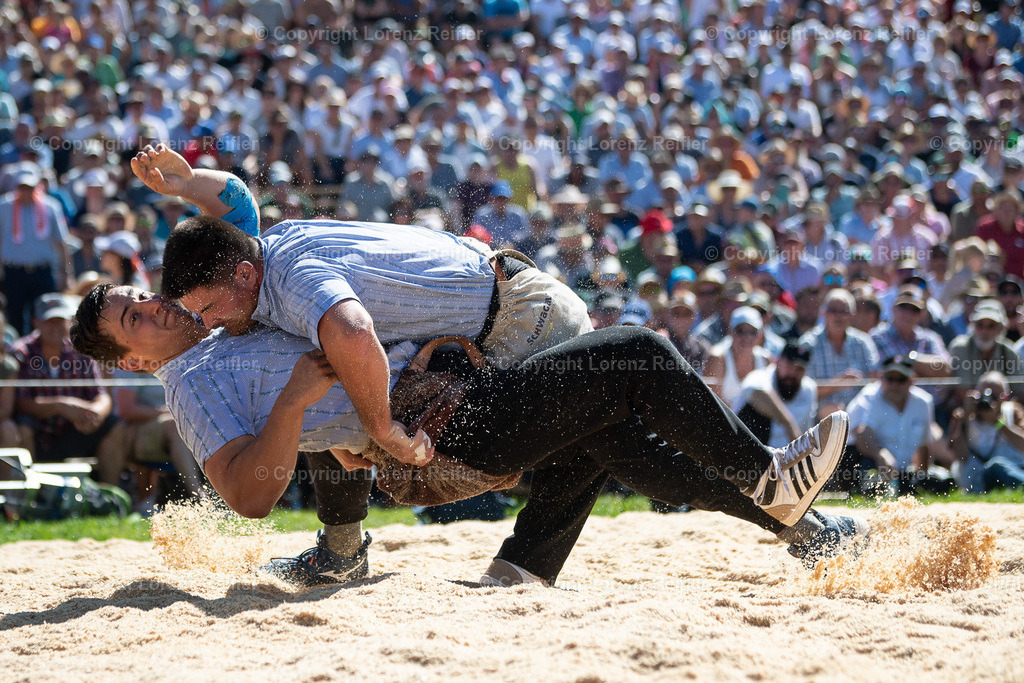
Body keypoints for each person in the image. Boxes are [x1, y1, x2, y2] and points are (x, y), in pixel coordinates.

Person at [71, 283, 864, 587]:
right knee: (638, 352)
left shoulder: (218, 327)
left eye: (143, 294)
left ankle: (523, 566)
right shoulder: (195, 381)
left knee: (610, 430)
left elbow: (239, 235)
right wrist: (307, 411)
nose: (155, 304)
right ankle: (773, 484)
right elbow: (248, 489)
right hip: (433, 439)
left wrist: (188, 181)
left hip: (426, 420)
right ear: (136, 356)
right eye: (136, 318)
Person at [11, 293, 125, 484]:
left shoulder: (81, 350)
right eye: (49, 321)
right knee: (22, 428)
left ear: (70, 322)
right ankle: (28, 495)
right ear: (36, 322)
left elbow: (101, 396)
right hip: (37, 434)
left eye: (60, 321)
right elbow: (19, 404)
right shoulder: (20, 352)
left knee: (113, 425)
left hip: (72, 431)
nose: (55, 327)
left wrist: (95, 413)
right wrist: (60, 406)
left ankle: (111, 494)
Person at [841, 355, 934, 494]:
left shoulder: (923, 402)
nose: (894, 385)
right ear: (880, 377)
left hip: (901, 470)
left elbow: (923, 445)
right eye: (889, 379)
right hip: (866, 462)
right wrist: (880, 455)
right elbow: (861, 433)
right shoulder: (868, 397)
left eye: (901, 379)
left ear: (911, 380)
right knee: (867, 473)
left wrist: (921, 478)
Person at [0, 163, 73, 335]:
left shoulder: (50, 206)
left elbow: (61, 242)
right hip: (13, 272)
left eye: (29, 187)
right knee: (15, 318)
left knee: (44, 317)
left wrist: (66, 272)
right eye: (22, 187)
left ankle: (39, 357)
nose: (25, 191)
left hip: (42, 272)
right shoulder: (3, 207)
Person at [733, 342, 818, 450]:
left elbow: (806, 430)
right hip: (752, 451)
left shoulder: (809, 389)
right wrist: (788, 423)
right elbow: (756, 392)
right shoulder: (761, 376)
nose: (792, 373)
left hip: (787, 457)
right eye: (789, 366)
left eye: (799, 369)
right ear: (777, 361)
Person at [949, 372, 1024, 492]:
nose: (987, 400)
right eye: (983, 394)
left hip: (1014, 469)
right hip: (982, 477)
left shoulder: (1012, 411)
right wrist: (966, 419)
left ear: (1004, 397)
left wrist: (998, 423)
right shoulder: (963, 417)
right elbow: (959, 455)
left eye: (994, 396)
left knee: (999, 465)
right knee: (996, 465)